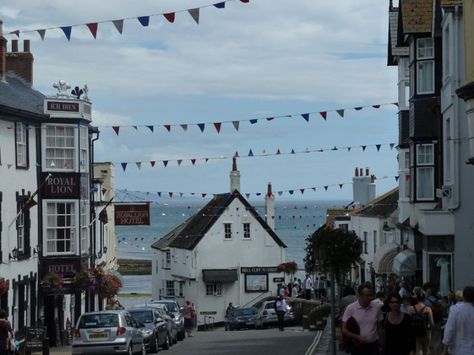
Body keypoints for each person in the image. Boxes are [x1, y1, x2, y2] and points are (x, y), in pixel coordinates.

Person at [342, 284, 383, 355]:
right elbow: (344, 329)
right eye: (367, 295)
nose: (370, 298)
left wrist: (382, 344)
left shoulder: (376, 307)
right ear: (360, 296)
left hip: (373, 346)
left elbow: (380, 327)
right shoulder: (350, 308)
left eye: (371, 295)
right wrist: (358, 337)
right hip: (357, 347)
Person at [441, 286, 474, 355]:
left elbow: (449, 330)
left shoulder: (455, 310)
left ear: (463, 297)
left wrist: (445, 350)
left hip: (457, 350)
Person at [408, 288, 434, 355]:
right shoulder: (428, 309)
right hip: (425, 332)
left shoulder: (411, 309)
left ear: (416, 298)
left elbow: (408, 321)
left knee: (418, 349)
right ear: (424, 298)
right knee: (425, 349)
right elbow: (432, 323)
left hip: (415, 331)